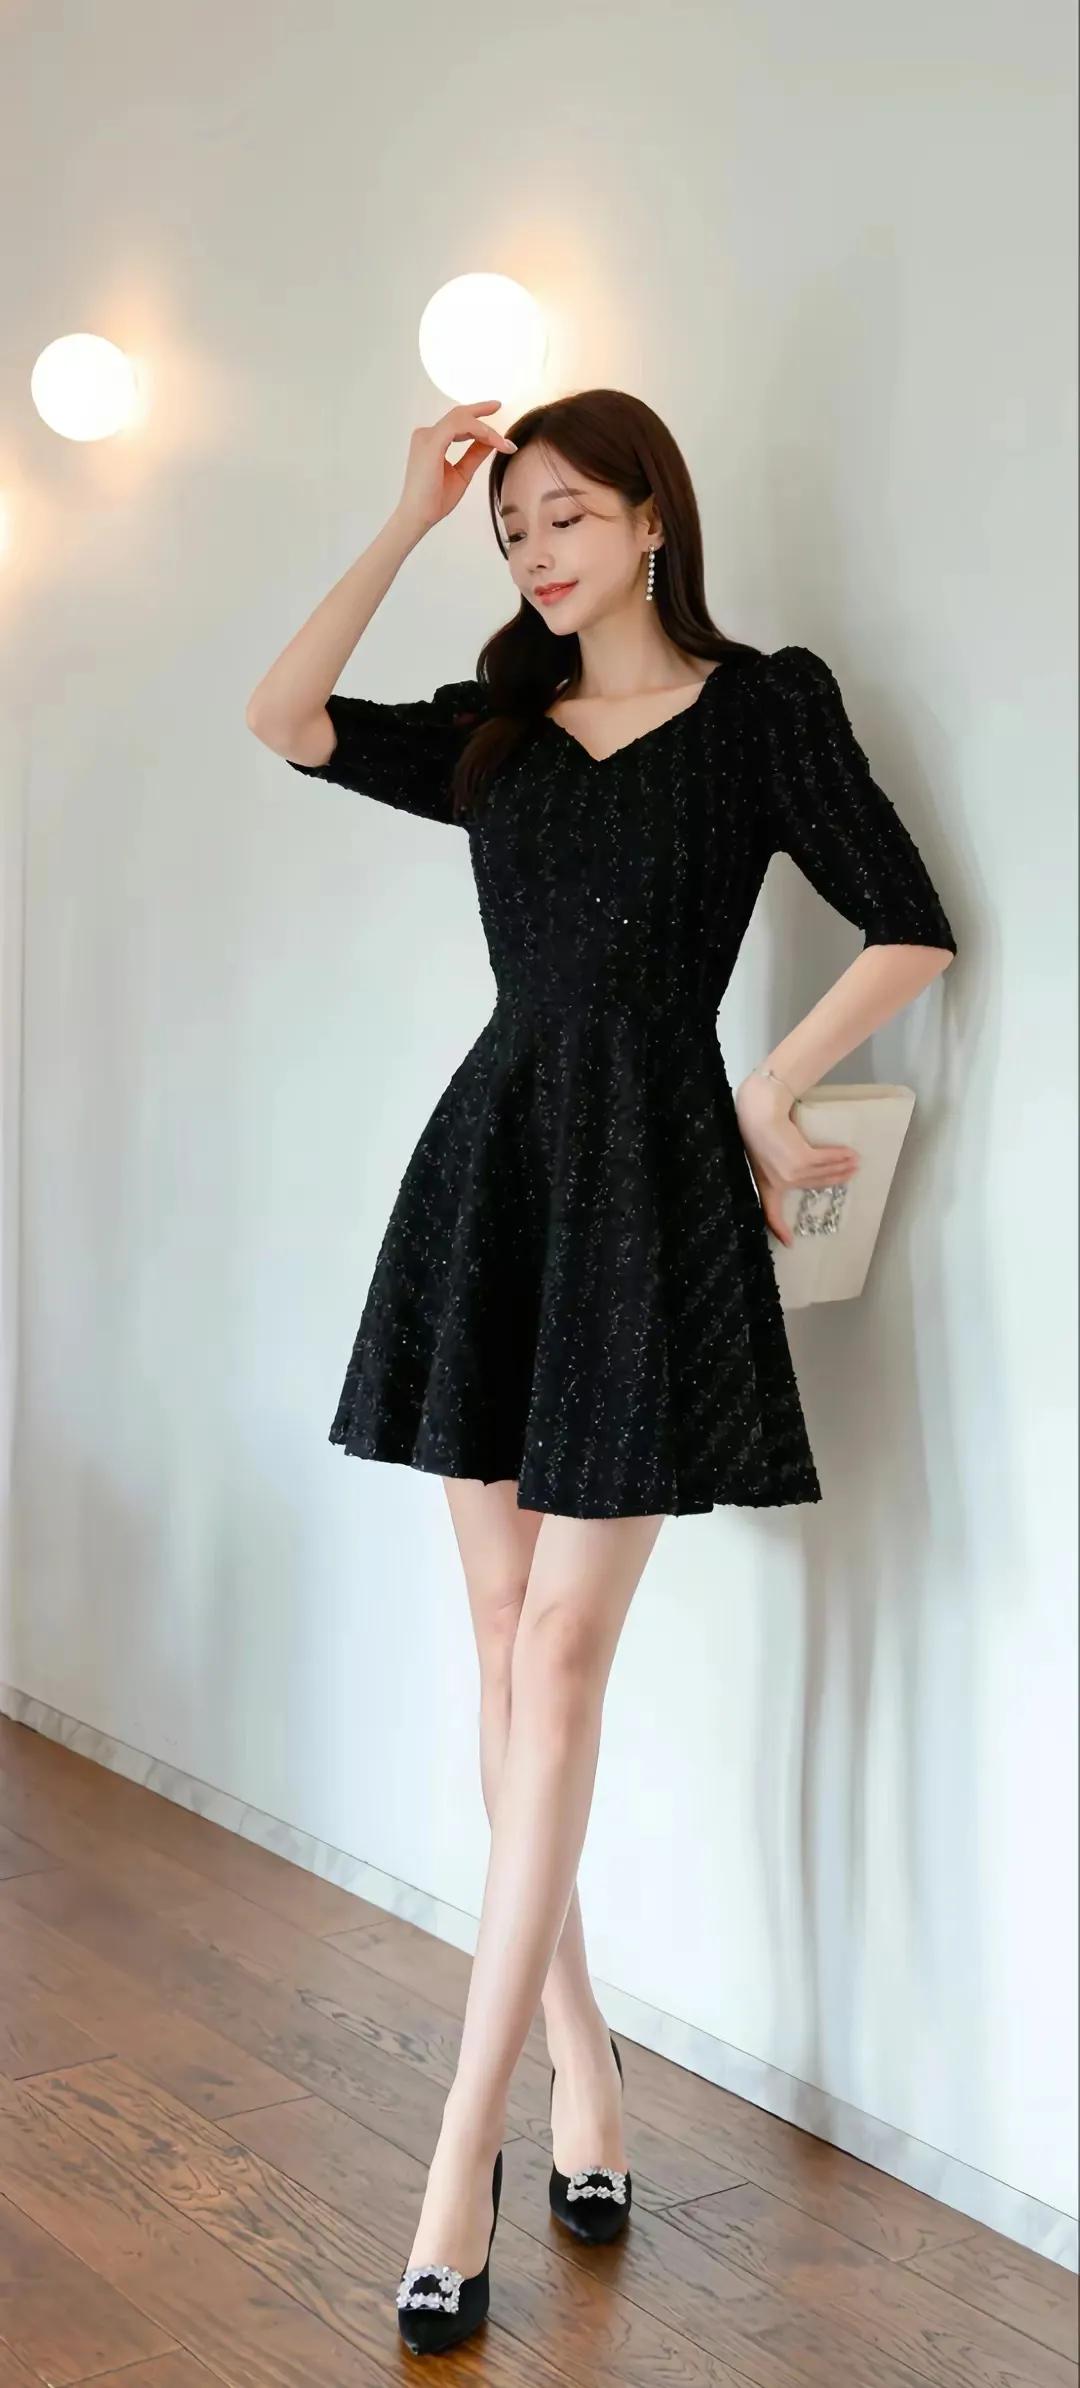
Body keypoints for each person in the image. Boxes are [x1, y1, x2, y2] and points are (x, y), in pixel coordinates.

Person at [246, 387, 958, 2353]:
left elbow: (910, 924)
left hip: (650, 1192)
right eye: (513, 532)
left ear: (653, 518)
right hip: (496, 1176)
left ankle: (453, 2157)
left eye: (564, 515)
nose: (536, 552)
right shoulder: (497, 736)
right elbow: (283, 717)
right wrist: (408, 516)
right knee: (502, 1646)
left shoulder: (762, 710)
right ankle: (583, 2063)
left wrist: (772, 1082)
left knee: (557, 1658)